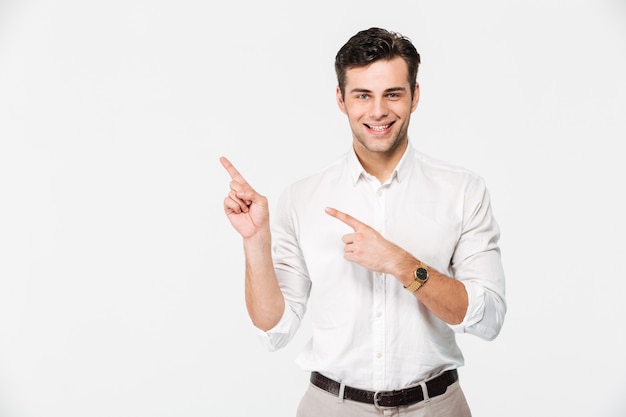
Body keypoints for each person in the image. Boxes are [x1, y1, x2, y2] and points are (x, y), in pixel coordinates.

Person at [220, 27, 506, 417]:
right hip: (331, 407)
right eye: (362, 95)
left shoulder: (462, 191)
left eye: (392, 93)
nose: (377, 112)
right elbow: (275, 330)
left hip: (436, 407)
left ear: (415, 96)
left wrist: (402, 264)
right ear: (341, 99)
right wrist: (255, 242)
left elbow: (488, 319)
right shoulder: (302, 197)